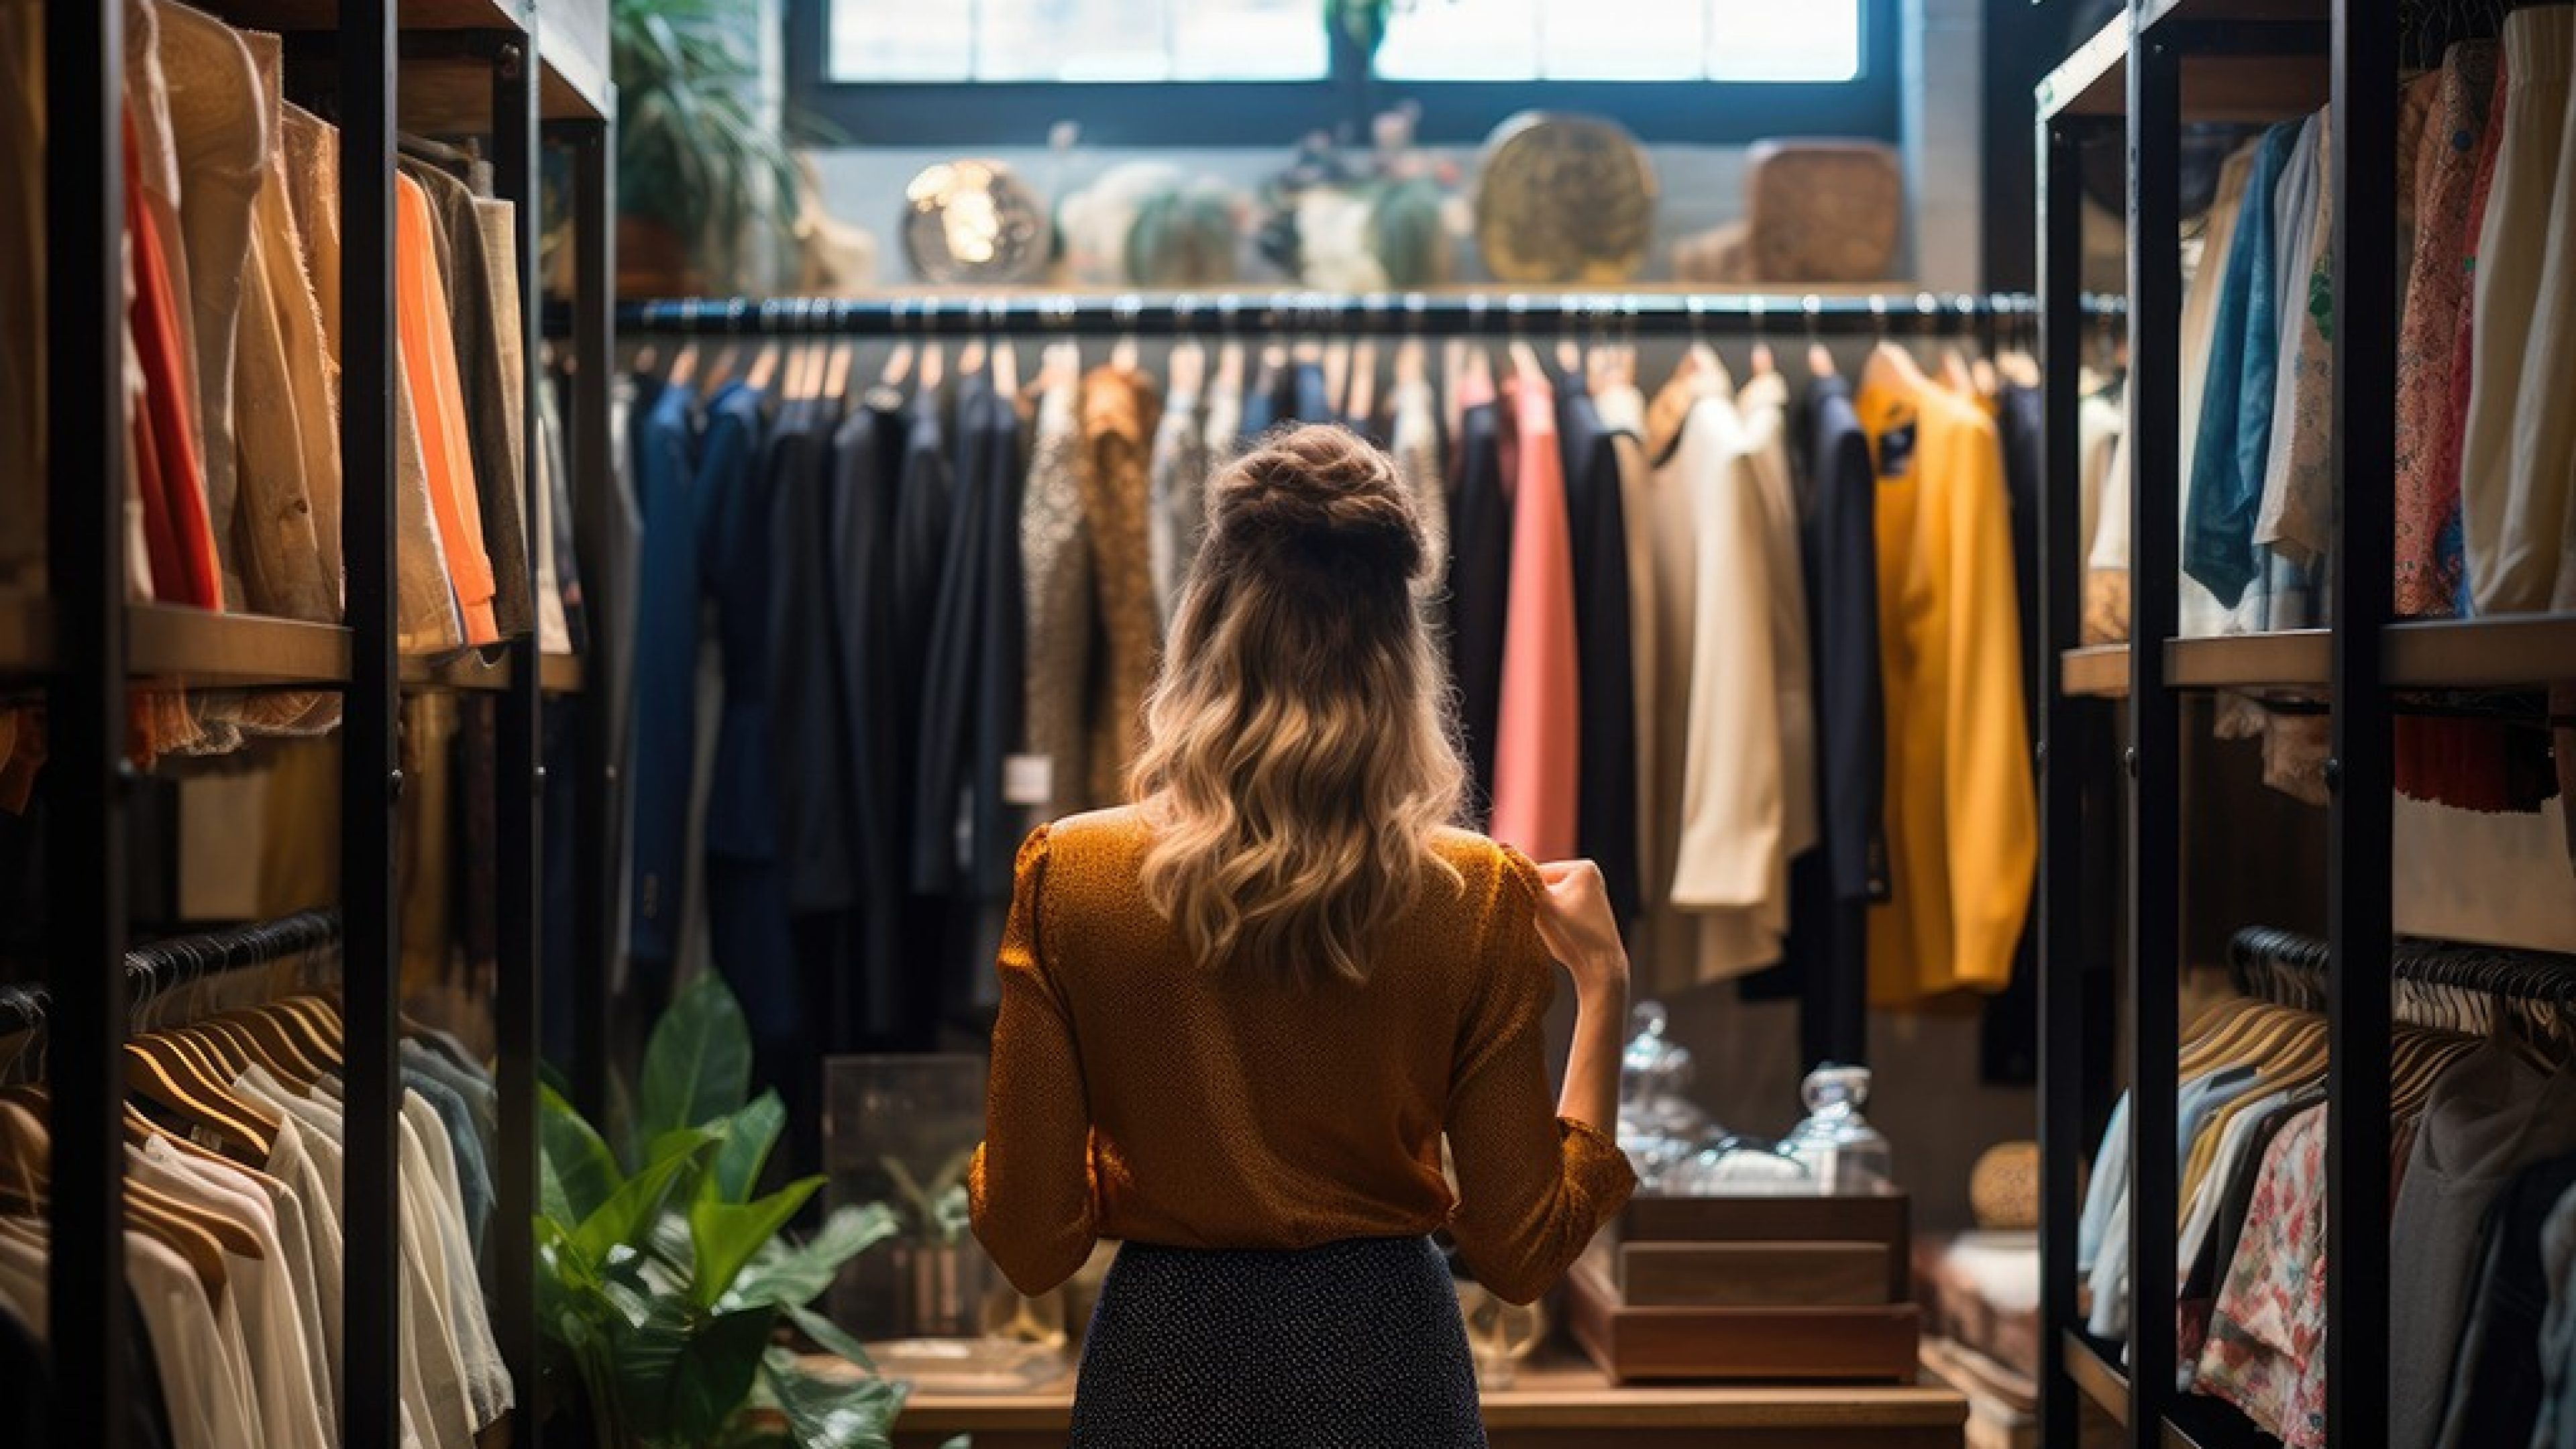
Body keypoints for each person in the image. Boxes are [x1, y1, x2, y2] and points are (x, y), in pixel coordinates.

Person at [969, 424, 1637, 1448]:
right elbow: (1522, 1252)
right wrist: (1605, 986)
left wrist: (1153, 1159)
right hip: (1387, 1367)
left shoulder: (1074, 877)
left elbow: (1027, 1239)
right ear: (1400, 653)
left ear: (1203, 624)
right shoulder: (1471, 895)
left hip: (1164, 1366)